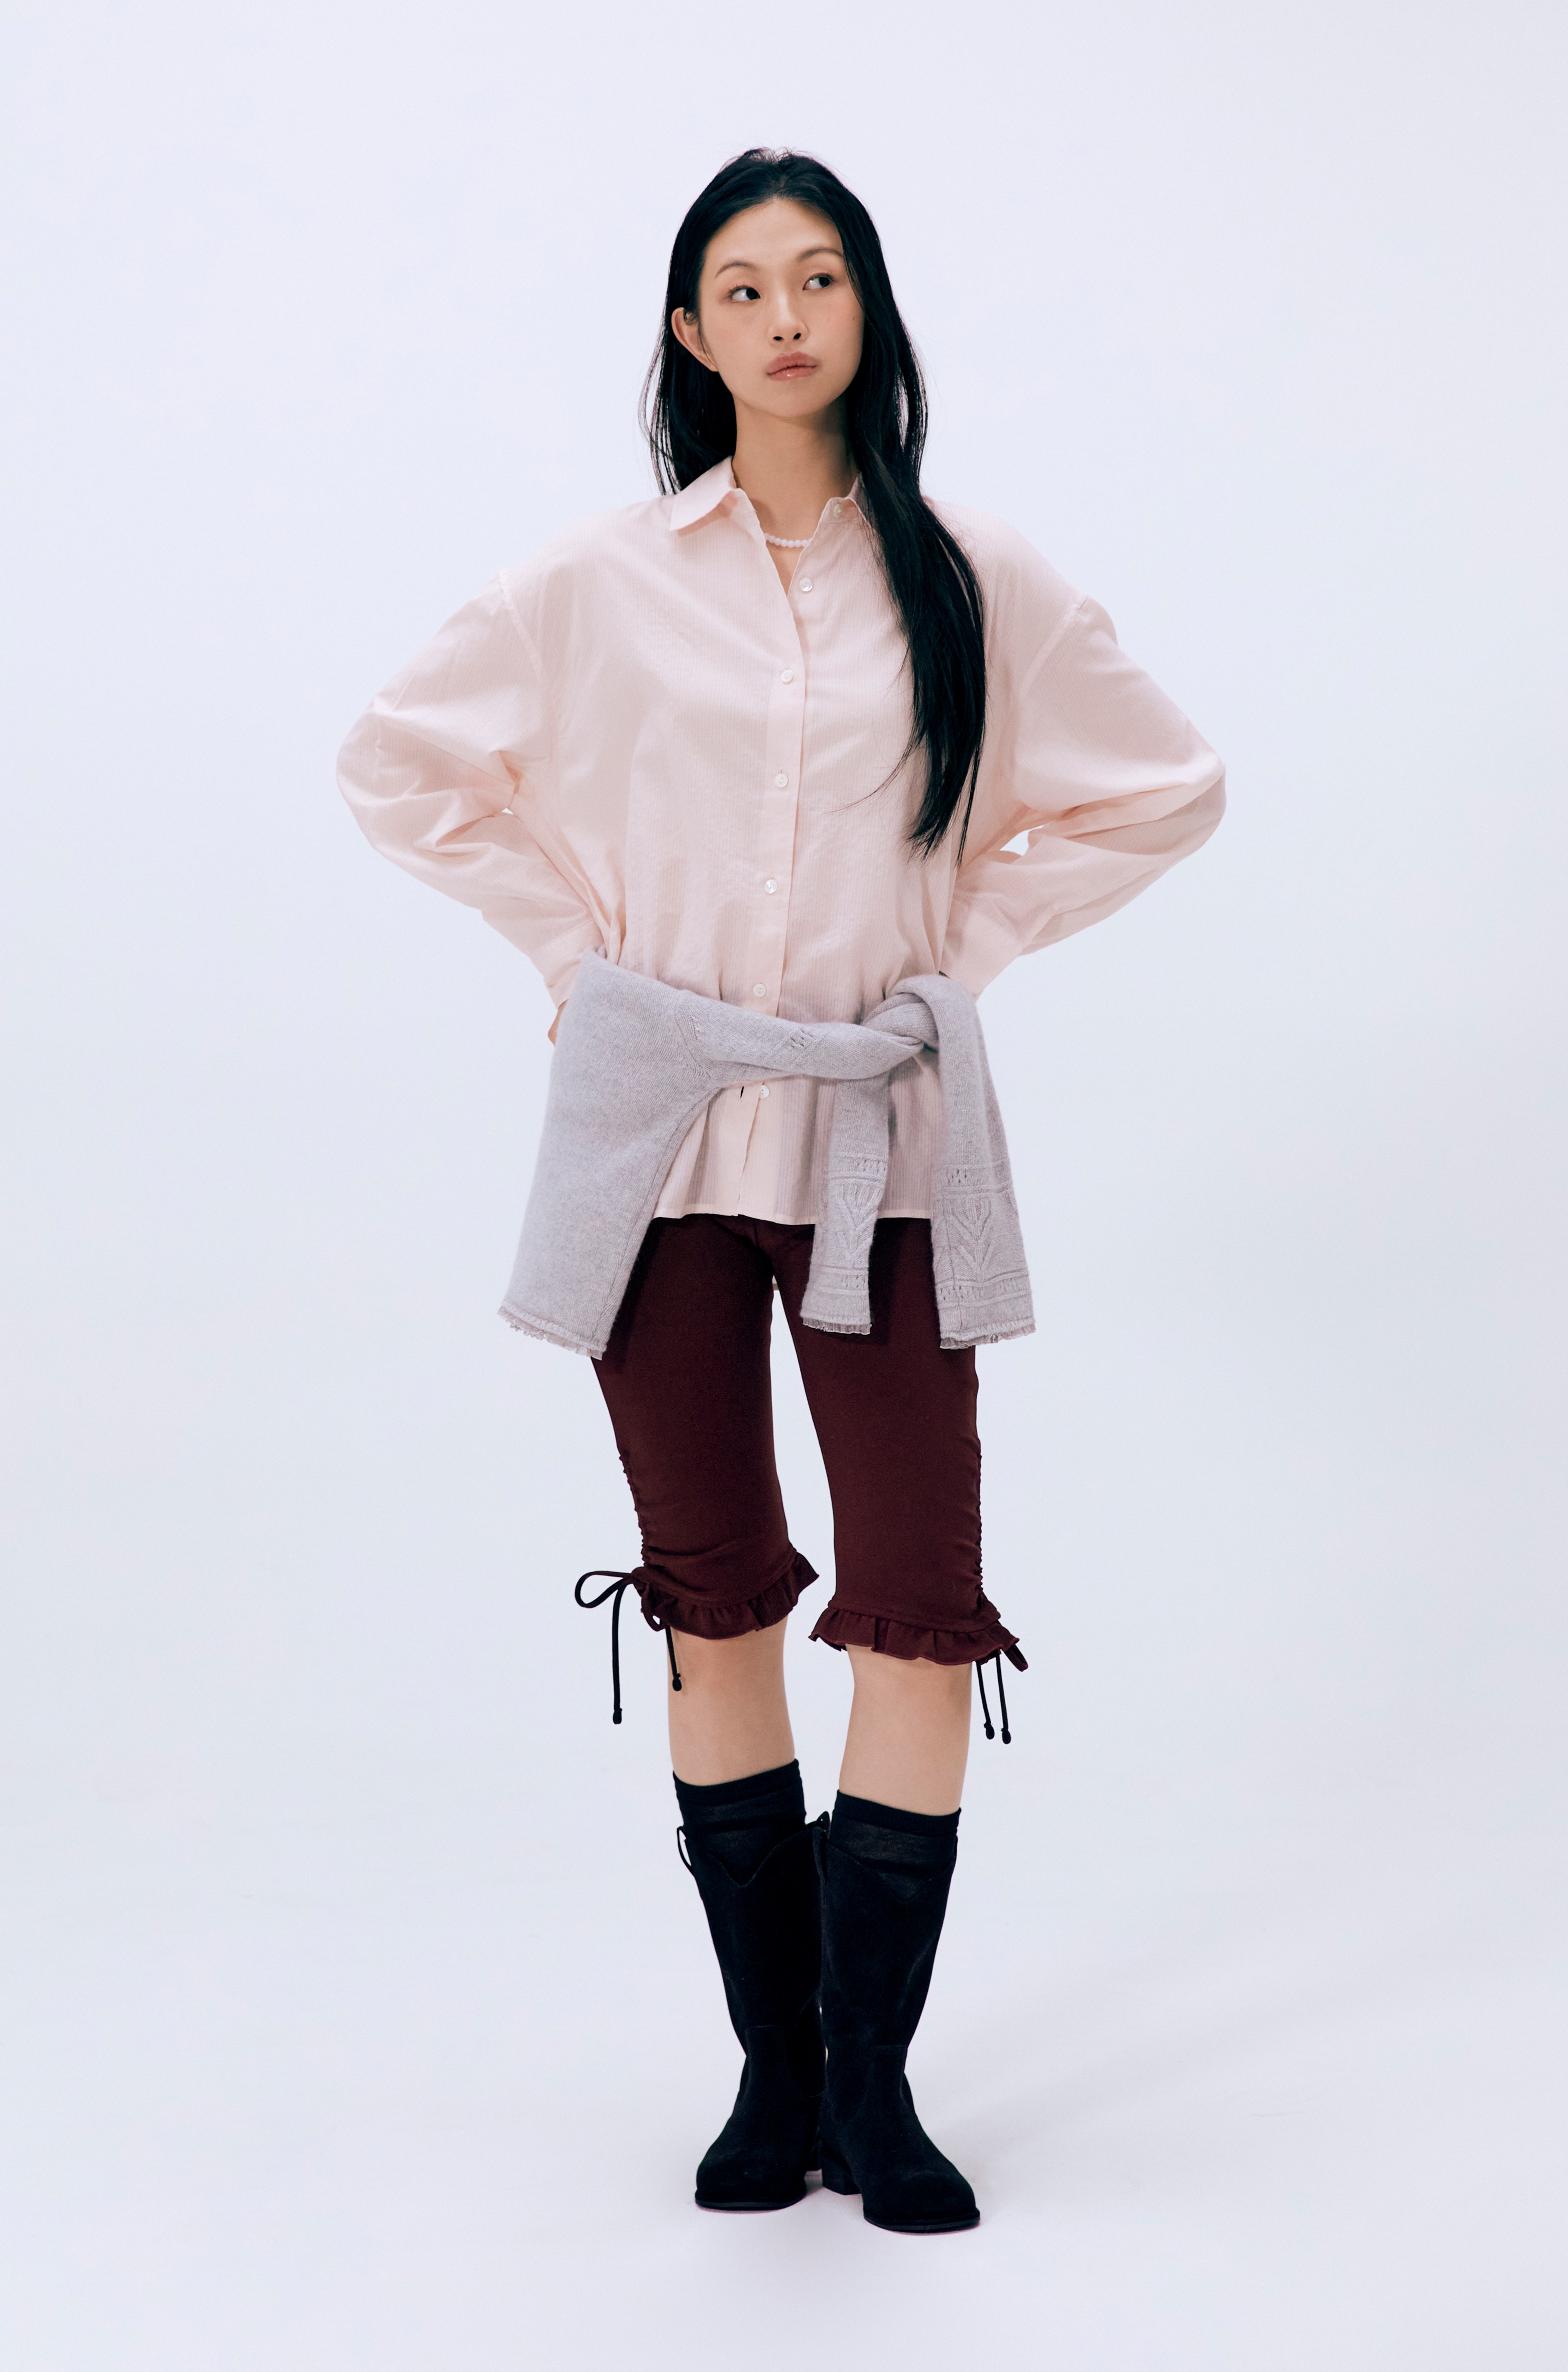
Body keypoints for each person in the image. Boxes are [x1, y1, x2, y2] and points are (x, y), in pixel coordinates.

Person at [338, 147, 1224, 2236]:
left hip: (879, 1139)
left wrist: (956, 960)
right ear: (692, 332)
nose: (785, 315)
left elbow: (1165, 786)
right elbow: (400, 764)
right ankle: (777, 2073)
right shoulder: (596, 582)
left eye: (819, 278)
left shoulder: (976, 575)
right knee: (715, 1596)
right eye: (742, 287)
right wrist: (581, 964)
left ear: (868, 312)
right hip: (656, 1142)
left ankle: (876, 2087)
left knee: (913, 1605)